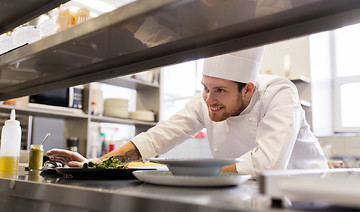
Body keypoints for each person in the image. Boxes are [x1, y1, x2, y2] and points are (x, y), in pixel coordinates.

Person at [47, 46, 329, 178]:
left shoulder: (279, 93)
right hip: (250, 194)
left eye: (220, 90)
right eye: (205, 88)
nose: (209, 99)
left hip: (309, 197)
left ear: (248, 89)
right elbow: (155, 139)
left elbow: (267, 164)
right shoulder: (204, 101)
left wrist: (183, 174)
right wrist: (96, 166)